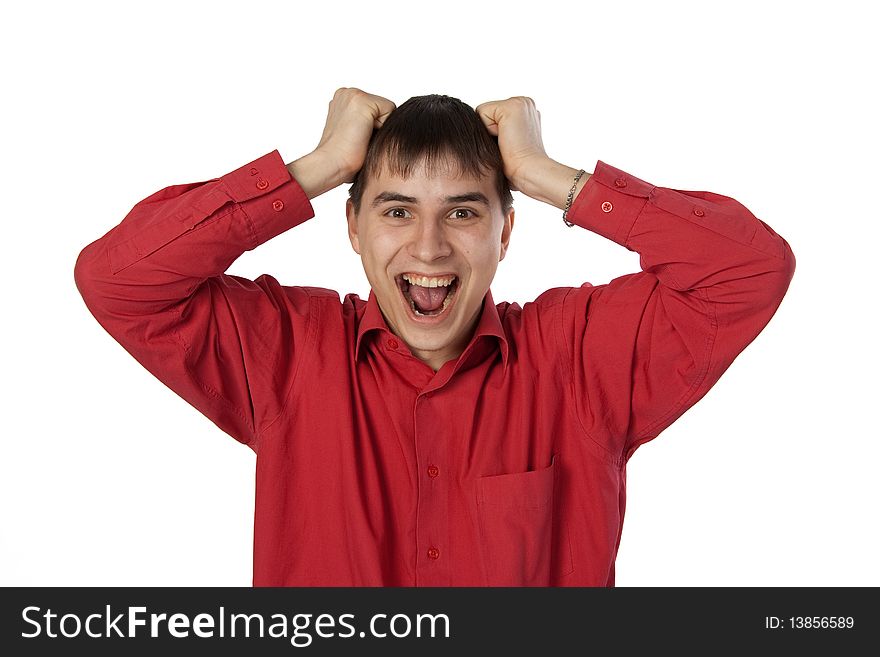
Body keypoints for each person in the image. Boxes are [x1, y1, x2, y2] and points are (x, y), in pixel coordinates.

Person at [74, 87, 795, 586]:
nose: (428, 248)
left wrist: (546, 175)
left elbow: (749, 268)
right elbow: (119, 279)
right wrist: (319, 167)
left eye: (461, 213)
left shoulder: (578, 358)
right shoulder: (286, 353)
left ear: (504, 230)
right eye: (395, 211)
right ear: (352, 226)